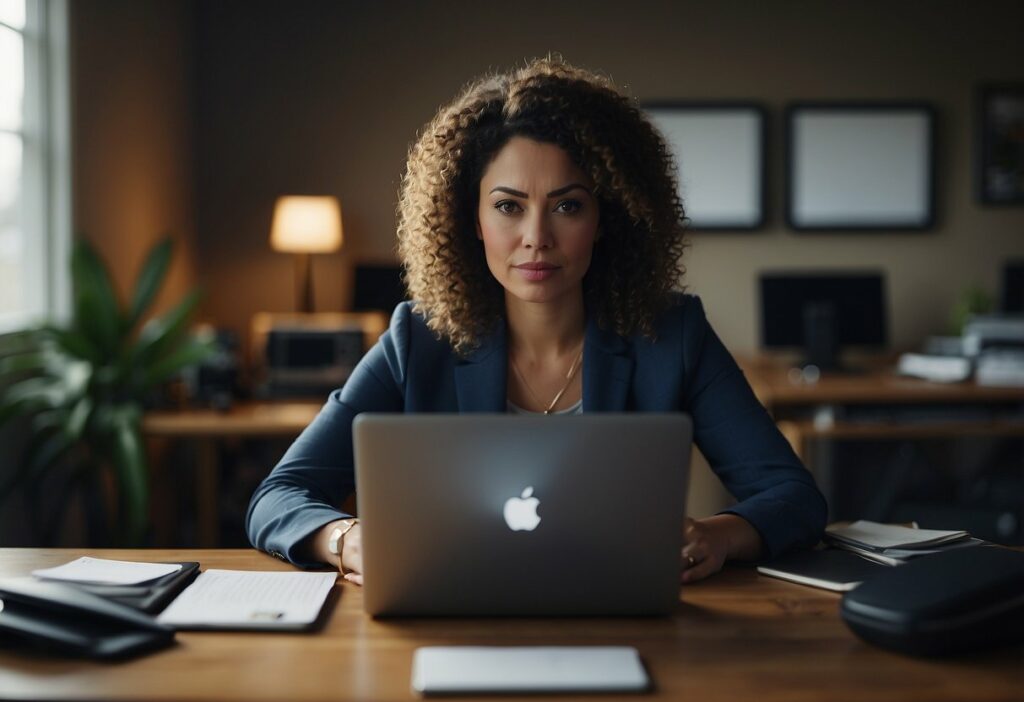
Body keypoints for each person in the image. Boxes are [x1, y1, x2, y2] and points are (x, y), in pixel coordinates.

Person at [246, 55, 827, 587]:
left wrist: (719, 535)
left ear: (606, 218)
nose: (536, 239)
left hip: (628, 620)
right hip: (449, 609)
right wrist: (350, 540)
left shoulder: (672, 334)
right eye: (508, 206)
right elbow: (279, 496)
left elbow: (793, 496)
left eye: (568, 206)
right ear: (470, 218)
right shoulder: (415, 338)